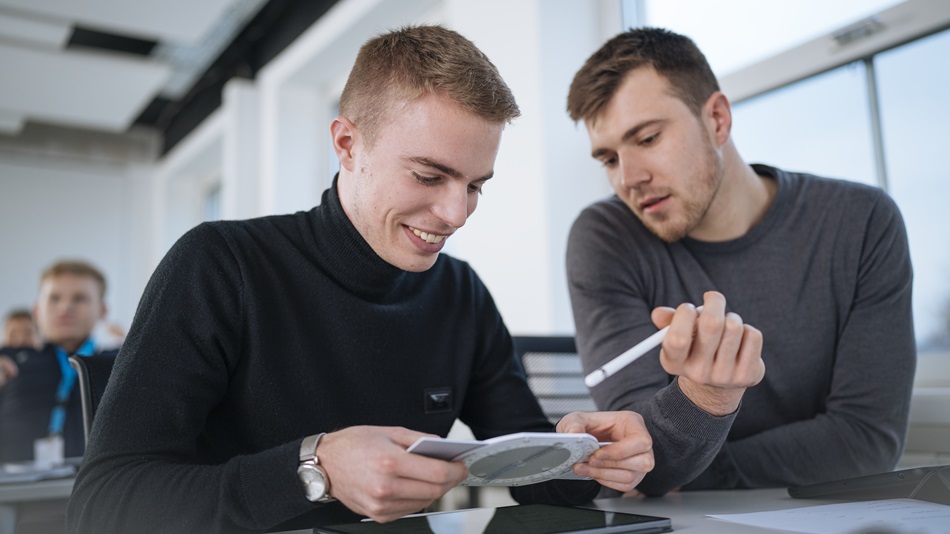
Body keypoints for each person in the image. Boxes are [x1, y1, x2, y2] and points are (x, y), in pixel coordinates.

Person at [66, 25, 655, 534]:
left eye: (475, 185)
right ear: (348, 145)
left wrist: (588, 454)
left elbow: (539, 480)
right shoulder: (220, 265)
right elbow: (102, 505)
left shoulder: (460, 295)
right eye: (429, 176)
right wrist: (314, 468)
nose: (456, 213)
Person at [564, 27, 915, 495]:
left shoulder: (861, 221)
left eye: (647, 138)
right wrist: (702, 404)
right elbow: (639, 455)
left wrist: (692, 461)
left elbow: (866, 441)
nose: (629, 178)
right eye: (609, 159)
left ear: (717, 119)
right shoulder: (606, 238)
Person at [0, 261, 117, 463]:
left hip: (101, 480)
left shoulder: (122, 365)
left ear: (102, 310)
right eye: (54, 299)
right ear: (37, 310)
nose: (65, 307)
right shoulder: (8, 362)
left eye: (79, 298)